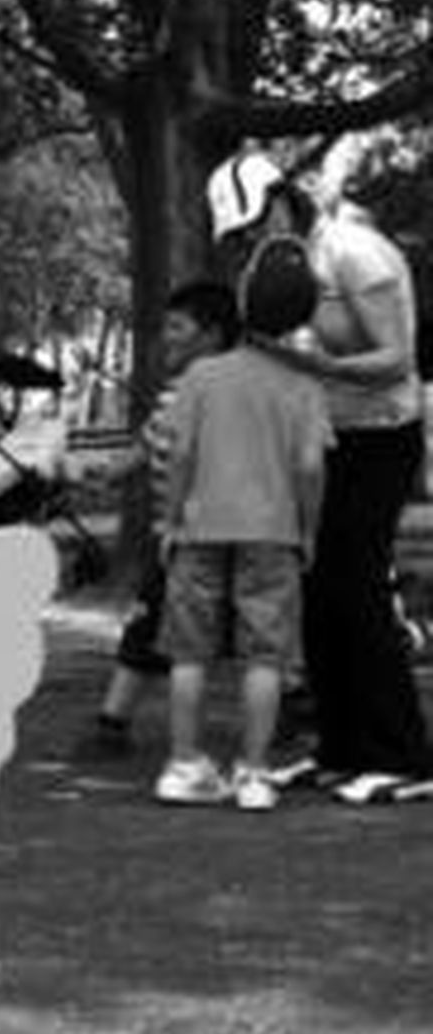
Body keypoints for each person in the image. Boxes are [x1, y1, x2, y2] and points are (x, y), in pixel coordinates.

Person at [208, 151, 431, 803]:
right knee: (317, 588)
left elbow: (396, 361)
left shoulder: (356, 252)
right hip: (319, 440)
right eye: (239, 234)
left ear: (281, 198)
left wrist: (308, 367)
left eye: (253, 224)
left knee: (357, 585)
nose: (248, 240)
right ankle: (339, 748)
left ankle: (403, 757)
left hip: (382, 438)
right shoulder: (267, 268)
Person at [154, 235, 332, 811]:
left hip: (200, 528)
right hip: (273, 532)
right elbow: (309, 467)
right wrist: (308, 529)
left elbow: (180, 455)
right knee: (266, 657)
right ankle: (253, 774)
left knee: (189, 652)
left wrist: (171, 519)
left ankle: (183, 766)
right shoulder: (305, 386)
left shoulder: (203, 377)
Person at [92, 282, 239, 750]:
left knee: (158, 629)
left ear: (212, 334)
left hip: (193, 538)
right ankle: (113, 723)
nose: (167, 337)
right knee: (157, 625)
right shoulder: (176, 392)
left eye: (178, 327)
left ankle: (117, 726)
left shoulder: (216, 390)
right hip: (178, 538)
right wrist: (103, 473)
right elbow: (146, 445)